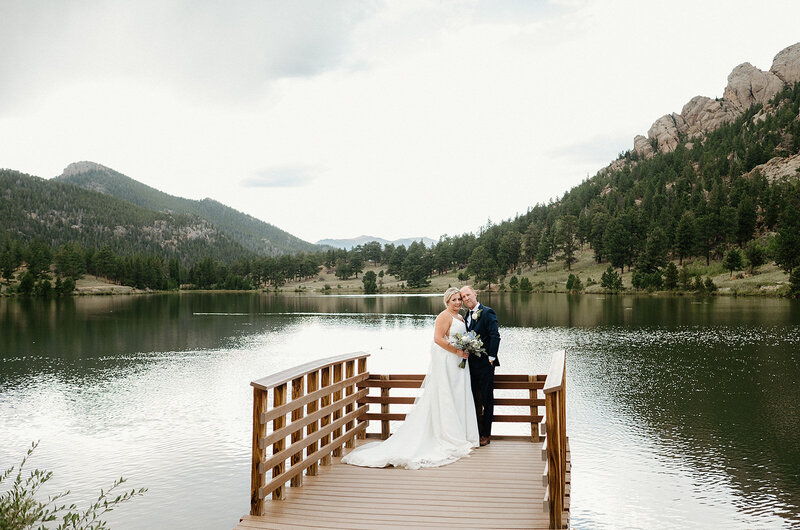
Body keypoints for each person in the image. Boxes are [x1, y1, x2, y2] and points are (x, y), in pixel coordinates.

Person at [342, 287, 479, 469]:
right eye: (454, 299)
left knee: (458, 395)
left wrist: (464, 349)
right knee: (445, 395)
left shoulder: (460, 318)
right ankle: (447, 434)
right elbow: (438, 339)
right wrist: (457, 351)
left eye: (459, 299)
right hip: (447, 360)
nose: (458, 302)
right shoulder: (443, 316)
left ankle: (461, 433)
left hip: (458, 364)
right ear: (447, 301)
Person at [459, 285, 500, 446]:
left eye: (468, 295)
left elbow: (495, 336)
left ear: (475, 294)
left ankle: (486, 434)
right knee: (473, 398)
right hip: (470, 365)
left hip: (485, 364)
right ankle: (475, 432)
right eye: (463, 297)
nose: (466, 298)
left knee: (486, 398)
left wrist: (491, 358)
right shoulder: (465, 316)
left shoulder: (487, 312)